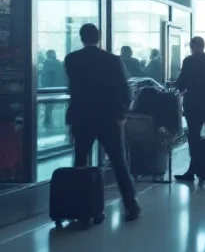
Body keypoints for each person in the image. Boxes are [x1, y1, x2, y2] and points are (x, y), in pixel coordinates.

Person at [63, 24, 140, 221]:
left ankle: (78, 207)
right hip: (109, 118)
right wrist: (123, 113)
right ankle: (131, 206)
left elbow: (73, 88)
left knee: (80, 162)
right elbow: (125, 89)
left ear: (81, 38)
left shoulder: (71, 59)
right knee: (118, 162)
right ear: (100, 37)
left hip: (81, 117)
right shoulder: (112, 60)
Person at [174, 36, 205, 182]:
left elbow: (182, 83)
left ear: (193, 47)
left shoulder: (189, 61)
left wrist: (177, 86)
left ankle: (193, 169)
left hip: (194, 104)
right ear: (204, 45)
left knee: (194, 137)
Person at [41, 49, 66, 128]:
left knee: (49, 106)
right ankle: (48, 120)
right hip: (56, 86)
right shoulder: (56, 63)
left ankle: (47, 120)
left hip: (50, 86)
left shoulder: (47, 63)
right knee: (50, 105)